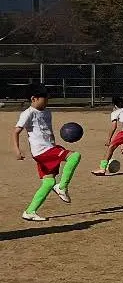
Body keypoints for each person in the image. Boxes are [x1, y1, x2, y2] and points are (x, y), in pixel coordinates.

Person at [13, 86, 82, 222]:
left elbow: (48, 132)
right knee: (75, 156)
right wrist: (17, 150)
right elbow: (16, 131)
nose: (47, 101)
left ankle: (30, 211)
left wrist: (54, 145)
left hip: (49, 148)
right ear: (34, 99)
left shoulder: (47, 112)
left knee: (49, 182)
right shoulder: (28, 113)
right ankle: (62, 187)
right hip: (42, 151)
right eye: (44, 98)